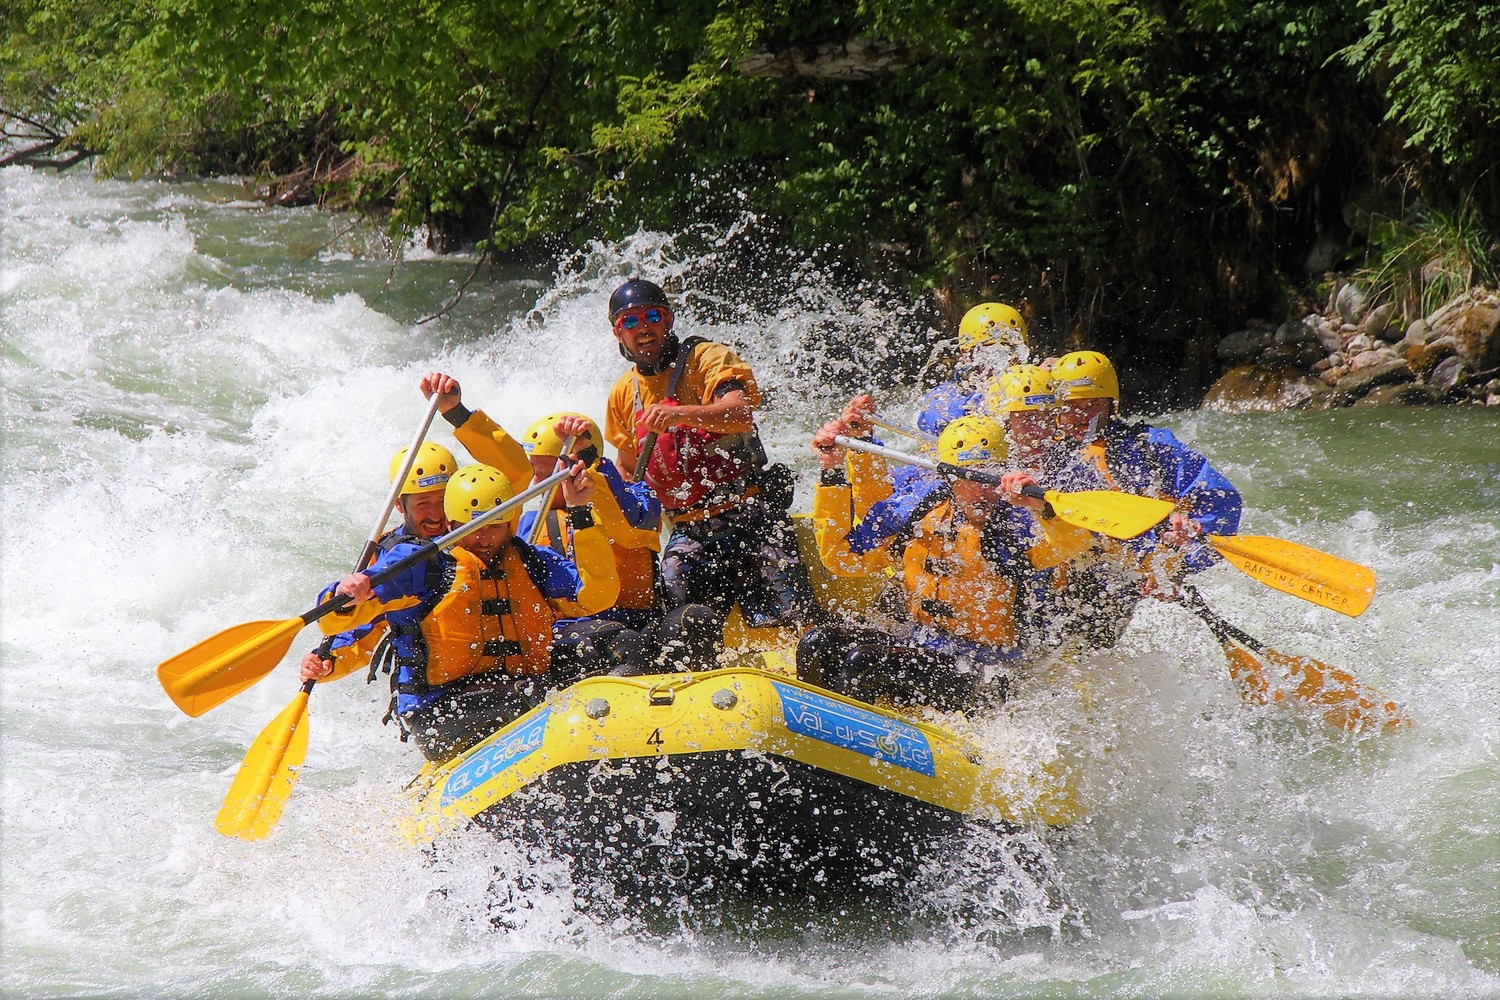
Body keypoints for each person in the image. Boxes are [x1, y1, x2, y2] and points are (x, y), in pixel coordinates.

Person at [303, 462, 624, 762]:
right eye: (474, 528)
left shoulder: (529, 560)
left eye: (495, 527)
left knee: (616, 642)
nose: (485, 539)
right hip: (439, 712)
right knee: (528, 695)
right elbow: (337, 618)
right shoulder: (424, 564)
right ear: (452, 523)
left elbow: (597, 598)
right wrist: (347, 594)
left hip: (520, 688)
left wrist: (581, 513)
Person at [800, 413, 1080, 711]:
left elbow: (1072, 545)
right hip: (923, 643)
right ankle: (811, 733)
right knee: (819, 642)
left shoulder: (1019, 525)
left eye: (988, 477)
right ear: (948, 477)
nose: (979, 491)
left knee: (864, 663)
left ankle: (853, 745)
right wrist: (831, 469)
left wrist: (1044, 509)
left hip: (987, 670)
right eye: (967, 478)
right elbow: (841, 557)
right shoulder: (920, 509)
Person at [602, 277, 815, 628]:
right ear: (618, 332)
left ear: (668, 320)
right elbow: (627, 468)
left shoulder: (707, 359)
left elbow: (739, 412)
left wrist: (679, 414)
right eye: (631, 321)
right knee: (675, 621)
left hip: (751, 516)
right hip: (689, 531)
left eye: (653, 316)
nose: (644, 328)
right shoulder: (623, 393)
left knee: (792, 612)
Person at [1012, 350, 1244, 648]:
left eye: (1092, 405)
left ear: (1112, 404)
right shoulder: (1049, 456)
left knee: (1087, 659)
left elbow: (1223, 504)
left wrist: (1177, 563)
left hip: (1127, 581)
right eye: (1071, 407)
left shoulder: (1152, 447)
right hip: (1067, 573)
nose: (1081, 417)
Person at [515, 412, 723, 673]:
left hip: (643, 622)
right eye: (536, 473)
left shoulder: (636, 497)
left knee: (694, 620)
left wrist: (592, 467)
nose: (537, 483)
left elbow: (633, 523)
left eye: (546, 473)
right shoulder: (533, 524)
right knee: (622, 642)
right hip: (577, 633)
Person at [300, 442, 459, 681]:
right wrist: (330, 661)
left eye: (443, 501)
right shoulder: (399, 556)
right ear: (399, 504)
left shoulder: (481, 532)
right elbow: (364, 625)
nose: (436, 515)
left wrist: (458, 415)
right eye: (423, 503)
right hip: (429, 693)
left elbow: (519, 474)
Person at [916, 301, 1031, 436]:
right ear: (966, 356)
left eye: (1009, 352)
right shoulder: (945, 399)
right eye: (988, 353)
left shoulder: (1036, 383)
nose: (999, 363)